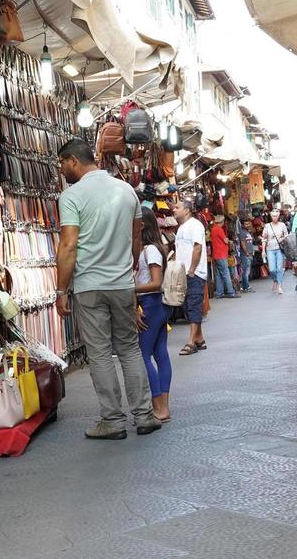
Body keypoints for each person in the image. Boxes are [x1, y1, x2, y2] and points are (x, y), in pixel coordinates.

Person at [55, 139, 161, 441]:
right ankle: (144, 416)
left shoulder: (72, 196)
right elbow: (136, 237)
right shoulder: (126, 190)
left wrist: (61, 290)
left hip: (89, 285)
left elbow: (69, 244)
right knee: (129, 349)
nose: (62, 170)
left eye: (62, 164)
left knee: (100, 353)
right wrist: (128, 269)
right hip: (122, 283)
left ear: (73, 160)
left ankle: (112, 420)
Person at [134, 207, 173, 423]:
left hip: (152, 304)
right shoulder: (151, 248)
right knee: (160, 353)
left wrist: (132, 290)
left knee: (143, 355)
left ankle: (159, 406)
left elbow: (156, 283)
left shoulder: (150, 250)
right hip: (155, 305)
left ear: (142, 224)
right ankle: (163, 407)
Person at [172, 197, 208, 356]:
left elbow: (197, 248)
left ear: (186, 210)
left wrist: (192, 269)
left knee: (193, 305)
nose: (174, 209)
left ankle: (191, 342)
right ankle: (199, 339)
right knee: (188, 305)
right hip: (183, 272)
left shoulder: (195, 225)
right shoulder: (181, 228)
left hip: (194, 272)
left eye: (177, 207)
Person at [208, 214, 236, 299]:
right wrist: (229, 240)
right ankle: (231, 292)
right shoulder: (219, 229)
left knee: (219, 275)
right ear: (222, 222)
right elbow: (225, 240)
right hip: (221, 254)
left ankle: (219, 293)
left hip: (216, 254)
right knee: (226, 273)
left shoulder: (213, 229)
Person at [262, 209, 288, 294]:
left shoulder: (282, 225)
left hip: (280, 249)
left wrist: (282, 239)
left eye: (276, 216)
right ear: (271, 216)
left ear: (279, 216)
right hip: (270, 249)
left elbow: (287, 235)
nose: (275, 218)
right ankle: (275, 280)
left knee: (279, 268)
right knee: (272, 269)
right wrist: (263, 250)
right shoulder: (267, 226)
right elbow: (264, 239)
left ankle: (279, 285)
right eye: (273, 216)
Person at [234, 213, 254, 293]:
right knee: (245, 271)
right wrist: (247, 253)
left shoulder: (247, 232)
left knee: (247, 270)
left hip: (249, 253)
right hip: (245, 254)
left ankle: (245, 286)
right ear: (243, 225)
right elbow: (242, 243)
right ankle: (246, 286)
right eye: (246, 224)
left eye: (248, 223)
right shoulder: (242, 233)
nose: (248, 225)